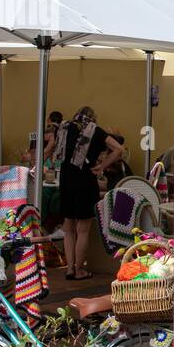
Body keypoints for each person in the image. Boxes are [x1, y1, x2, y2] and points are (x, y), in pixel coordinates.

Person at [54, 106, 124, 280]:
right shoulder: (96, 131)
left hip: (66, 180)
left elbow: (51, 151)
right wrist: (102, 165)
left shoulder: (65, 128)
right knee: (83, 230)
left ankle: (69, 268)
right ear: (93, 118)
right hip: (85, 180)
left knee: (68, 228)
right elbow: (118, 149)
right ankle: (79, 270)